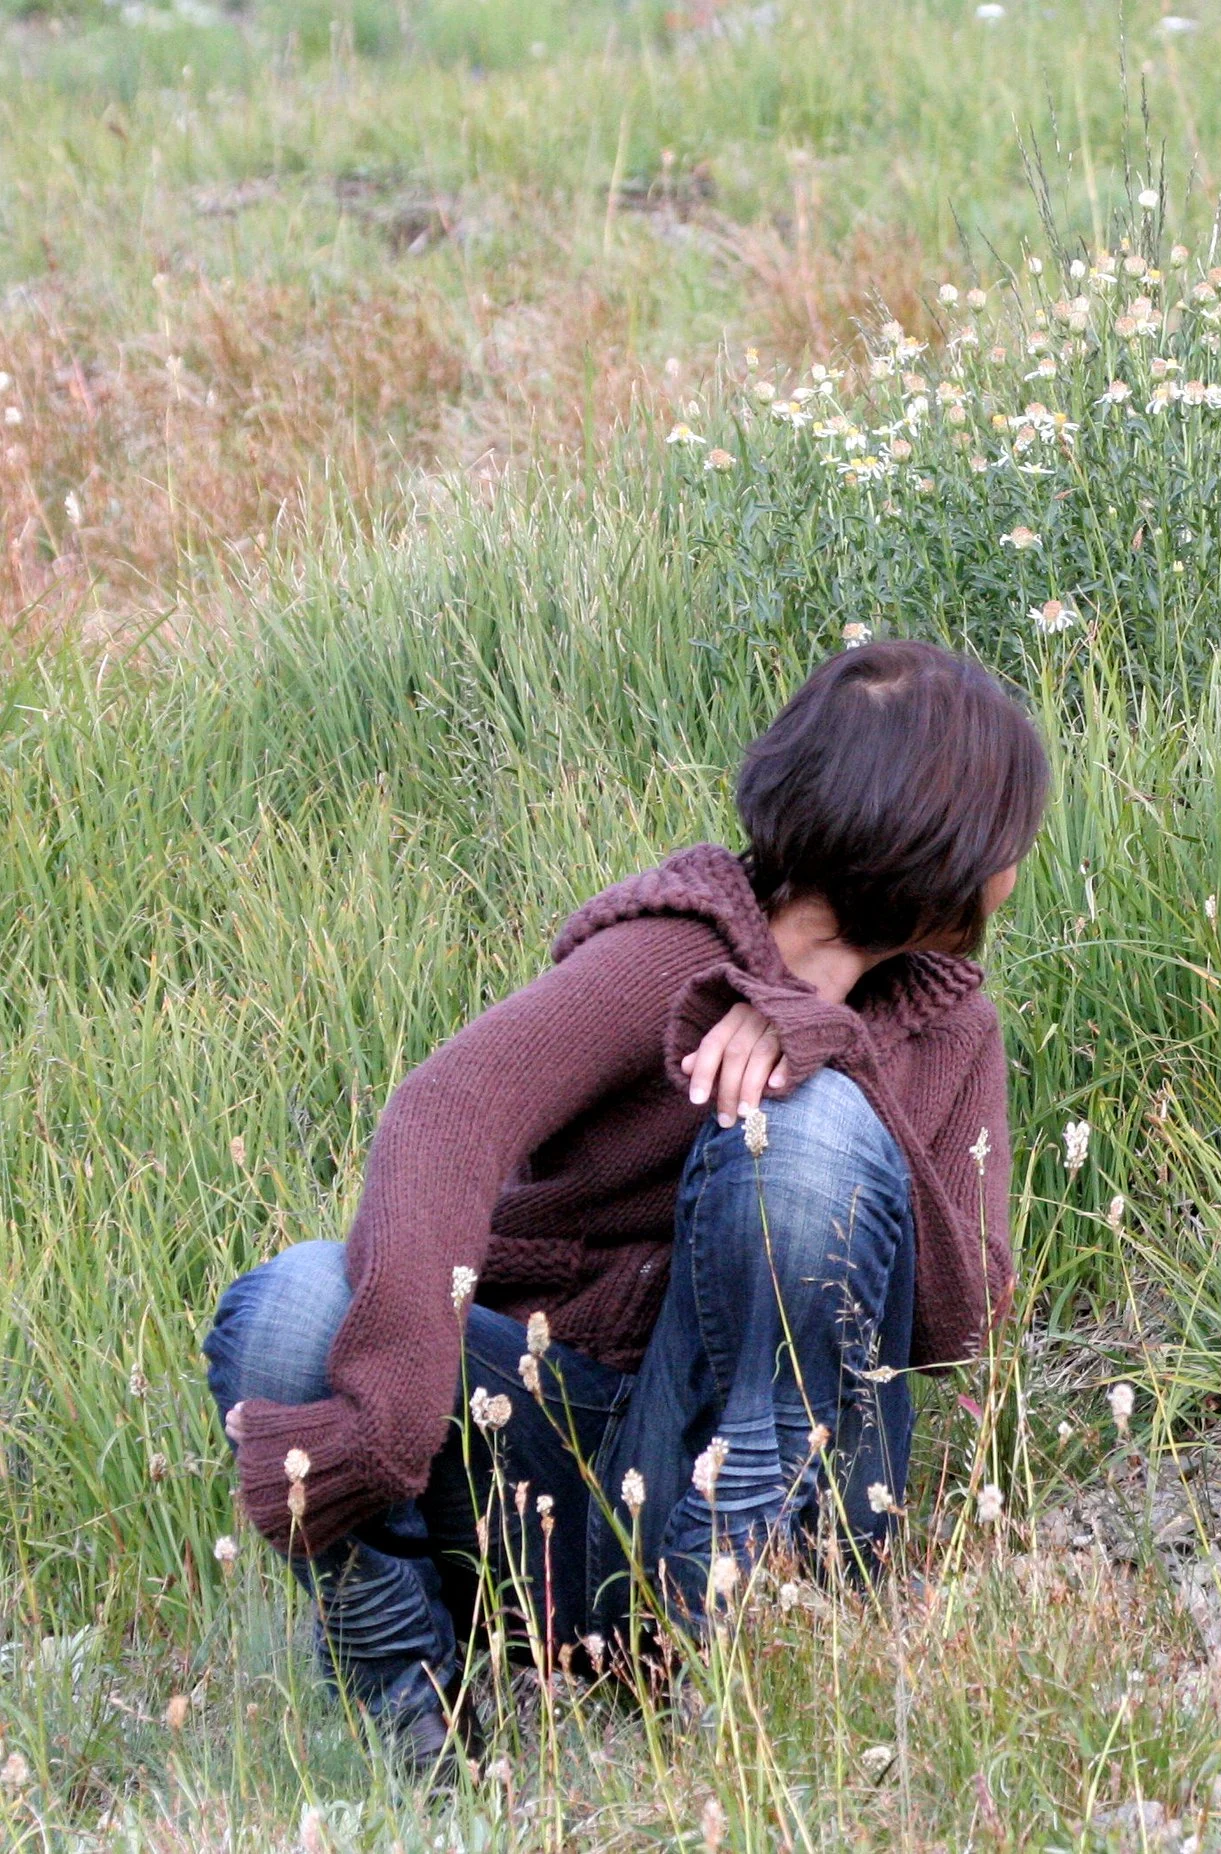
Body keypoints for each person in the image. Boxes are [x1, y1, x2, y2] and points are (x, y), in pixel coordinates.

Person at [201, 639, 1048, 1766]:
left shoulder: (949, 1030)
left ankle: (742, 1651)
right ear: (940, 839)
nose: (1017, 863)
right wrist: (388, 1418)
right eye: (1011, 836)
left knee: (804, 1130)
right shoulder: (671, 957)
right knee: (293, 1305)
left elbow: (962, 1323)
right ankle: (400, 1691)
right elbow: (445, 1115)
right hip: (551, 1469)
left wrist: (837, 1054)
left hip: (783, 1492)